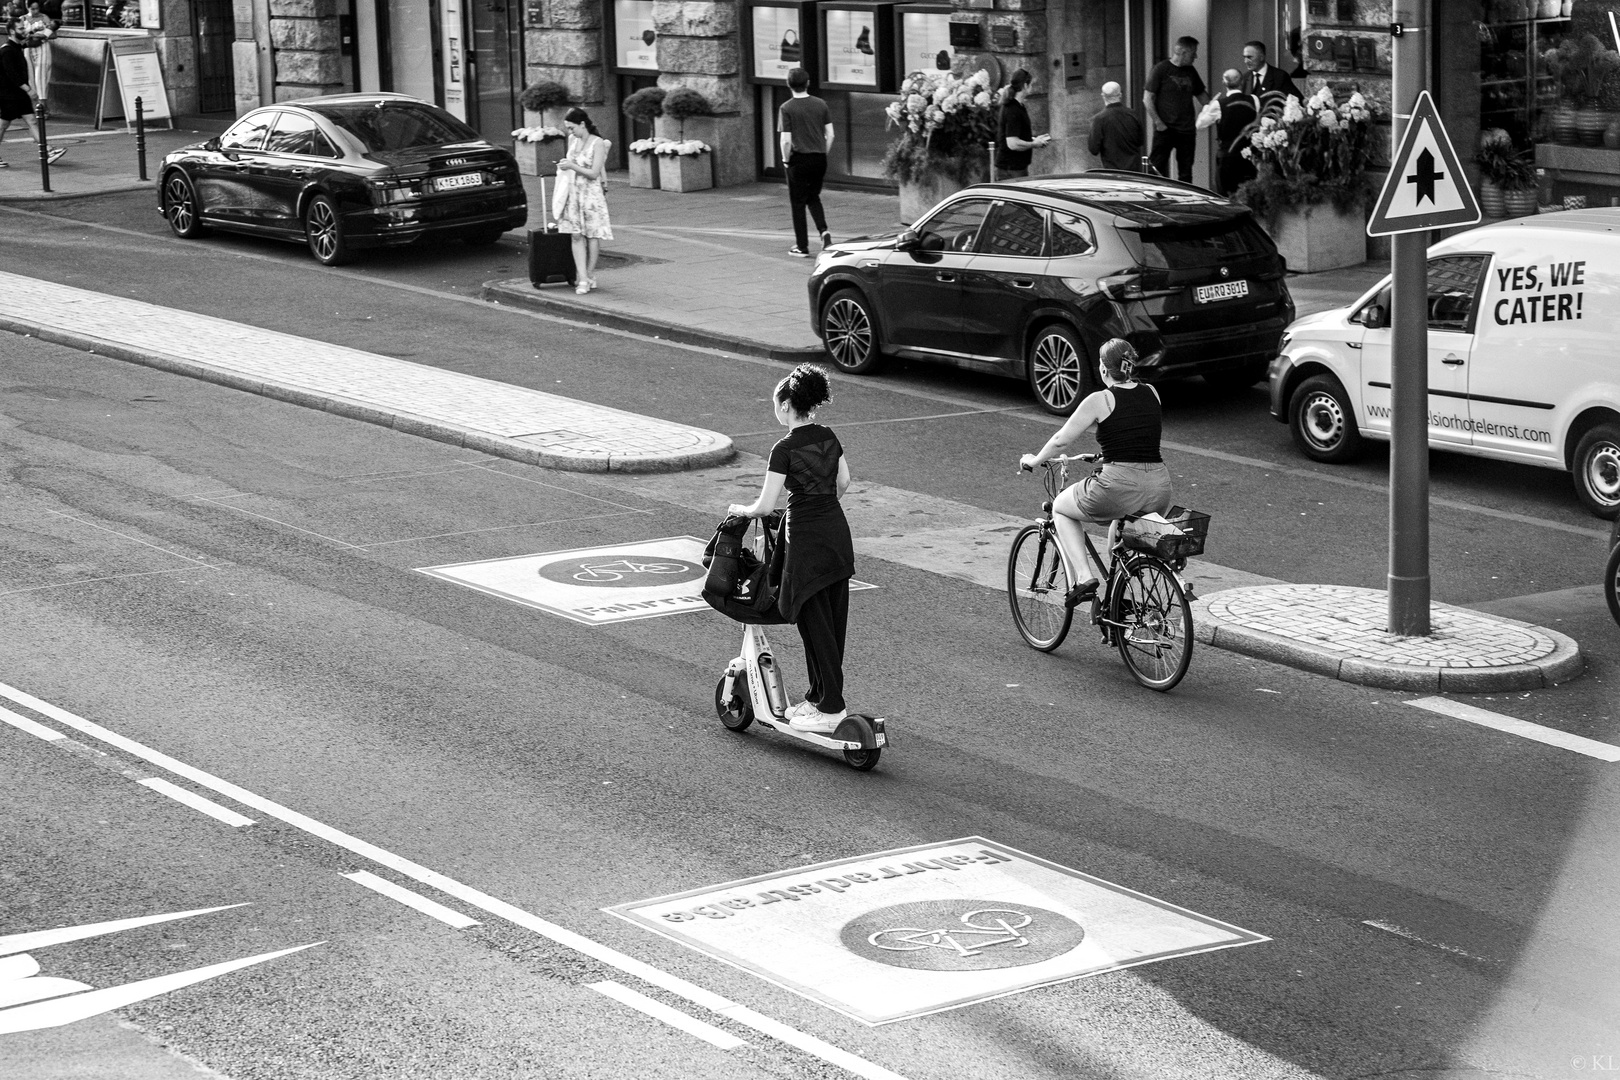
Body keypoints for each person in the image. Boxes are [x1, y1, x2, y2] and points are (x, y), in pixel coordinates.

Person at [728, 364, 855, 734]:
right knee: (832, 624)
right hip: (836, 533)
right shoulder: (828, 435)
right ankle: (819, 698)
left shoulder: (783, 448)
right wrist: (822, 503)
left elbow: (765, 506)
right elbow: (844, 481)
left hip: (806, 542)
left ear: (786, 405)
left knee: (813, 624)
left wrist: (743, 510)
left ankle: (831, 706)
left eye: (775, 404)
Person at [1018, 339, 1173, 607]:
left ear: (1103, 369)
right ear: (1130, 365)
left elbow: (1060, 441)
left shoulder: (1100, 399)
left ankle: (1083, 578)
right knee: (1118, 525)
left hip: (1119, 486)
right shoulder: (1152, 392)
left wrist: (1034, 460)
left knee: (1060, 508)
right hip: (1160, 487)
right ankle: (1117, 597)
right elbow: (1136, 433)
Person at [554, 107, 612, 295]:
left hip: (591, 194)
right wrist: (566, 165)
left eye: (572, 128)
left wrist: (572, 165)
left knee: (592, 234)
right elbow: (571, 162)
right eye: (568, 129)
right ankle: (583, 278)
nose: (570, 132)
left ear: (582, 124)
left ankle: (589, 273)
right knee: (576, 234)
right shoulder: (573, 140)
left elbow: (594, 172)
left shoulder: (598, 143)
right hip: (573, 192)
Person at [778, 67, 833, 258]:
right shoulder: (821, 104)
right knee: (813, 197)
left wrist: (786, 161)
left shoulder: (786, 108)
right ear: (808, 83)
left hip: (798, 160)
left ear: (788, 84)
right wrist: (821, 153)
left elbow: (785, 140)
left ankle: (802, 246)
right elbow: (831, 134)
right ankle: (824, 231)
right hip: (819, 158)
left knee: (798, 202)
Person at [0, 18, 63, 169]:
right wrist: (29, 90)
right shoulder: (7, 50)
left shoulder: (16, 47)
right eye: (21, 29)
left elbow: (33, 40)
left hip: (17, 93)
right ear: (12, 31)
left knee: (31, 121)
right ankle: (47, 150)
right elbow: (12, 74)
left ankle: (47, 151)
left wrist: (44, 29)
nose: (24, 31)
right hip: (9, 95)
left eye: (24, 28)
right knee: (3, 125)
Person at [1143, 36, 1206, 183]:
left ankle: (1184, 201)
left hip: (1187, 130)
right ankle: (1155, 199)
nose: (1195, 56)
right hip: (1166, 128)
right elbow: (1147, 98)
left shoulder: (1191, 71)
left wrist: (1216, 109)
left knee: (1186, 172)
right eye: (1193, 53)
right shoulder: (1161, 69)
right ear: (1183, 52)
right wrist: (1158, 122)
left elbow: (1201, 95)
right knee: (1156, 169)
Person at [1196, 69, 1259, 196]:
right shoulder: (1254, 100)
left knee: (1226, 196)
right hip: (1249, 156)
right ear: (1242, 82)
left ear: (1224, 83)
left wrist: (1208, 106)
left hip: (1227, 157)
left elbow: (1200, 124)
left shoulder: (1218, 105)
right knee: (1250, 196)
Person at [997, 69, 1050, 179]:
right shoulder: (1013, 110)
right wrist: (1034, 144)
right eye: (1031, 84)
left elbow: (1017, 134)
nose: (1032, 87)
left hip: (1015, 167)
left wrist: (1033, 139)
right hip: (1012, 169)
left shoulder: (1017, 106)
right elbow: (1012, 143)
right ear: (1025, 85)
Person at [1086, 81, 1144, 171]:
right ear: (1120, 95)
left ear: (1103, 96)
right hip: (1134, 170)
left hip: (1112, 172)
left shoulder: (1099, 119)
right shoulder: (1133, 115)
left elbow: (1093, 149)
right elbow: (1140, 141)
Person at [18, 0, 50, 119]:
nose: (35, 11)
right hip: (28, 49)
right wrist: (30, 35)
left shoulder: (44, 18)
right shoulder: (22, 19)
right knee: (31, 78)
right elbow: (20, 35)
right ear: (27, 7)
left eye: (37, 8)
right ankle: (37, 106)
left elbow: (52, 34)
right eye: (33, 9)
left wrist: (39, 35)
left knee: (41, 78)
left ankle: (43, 107)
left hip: (42, 48)